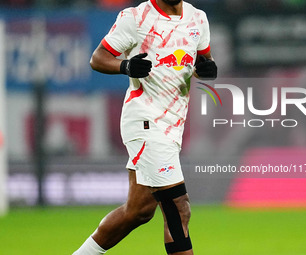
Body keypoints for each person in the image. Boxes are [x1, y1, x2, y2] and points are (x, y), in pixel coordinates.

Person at [73, 0, 217, 254]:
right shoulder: (136, 17)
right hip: (145, 121)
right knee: (178, 207)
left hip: (173, 125)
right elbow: (98, 58)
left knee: (138, 211)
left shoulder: (198, 18)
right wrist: (126, 66)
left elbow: (204, 62)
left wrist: (206, 69)